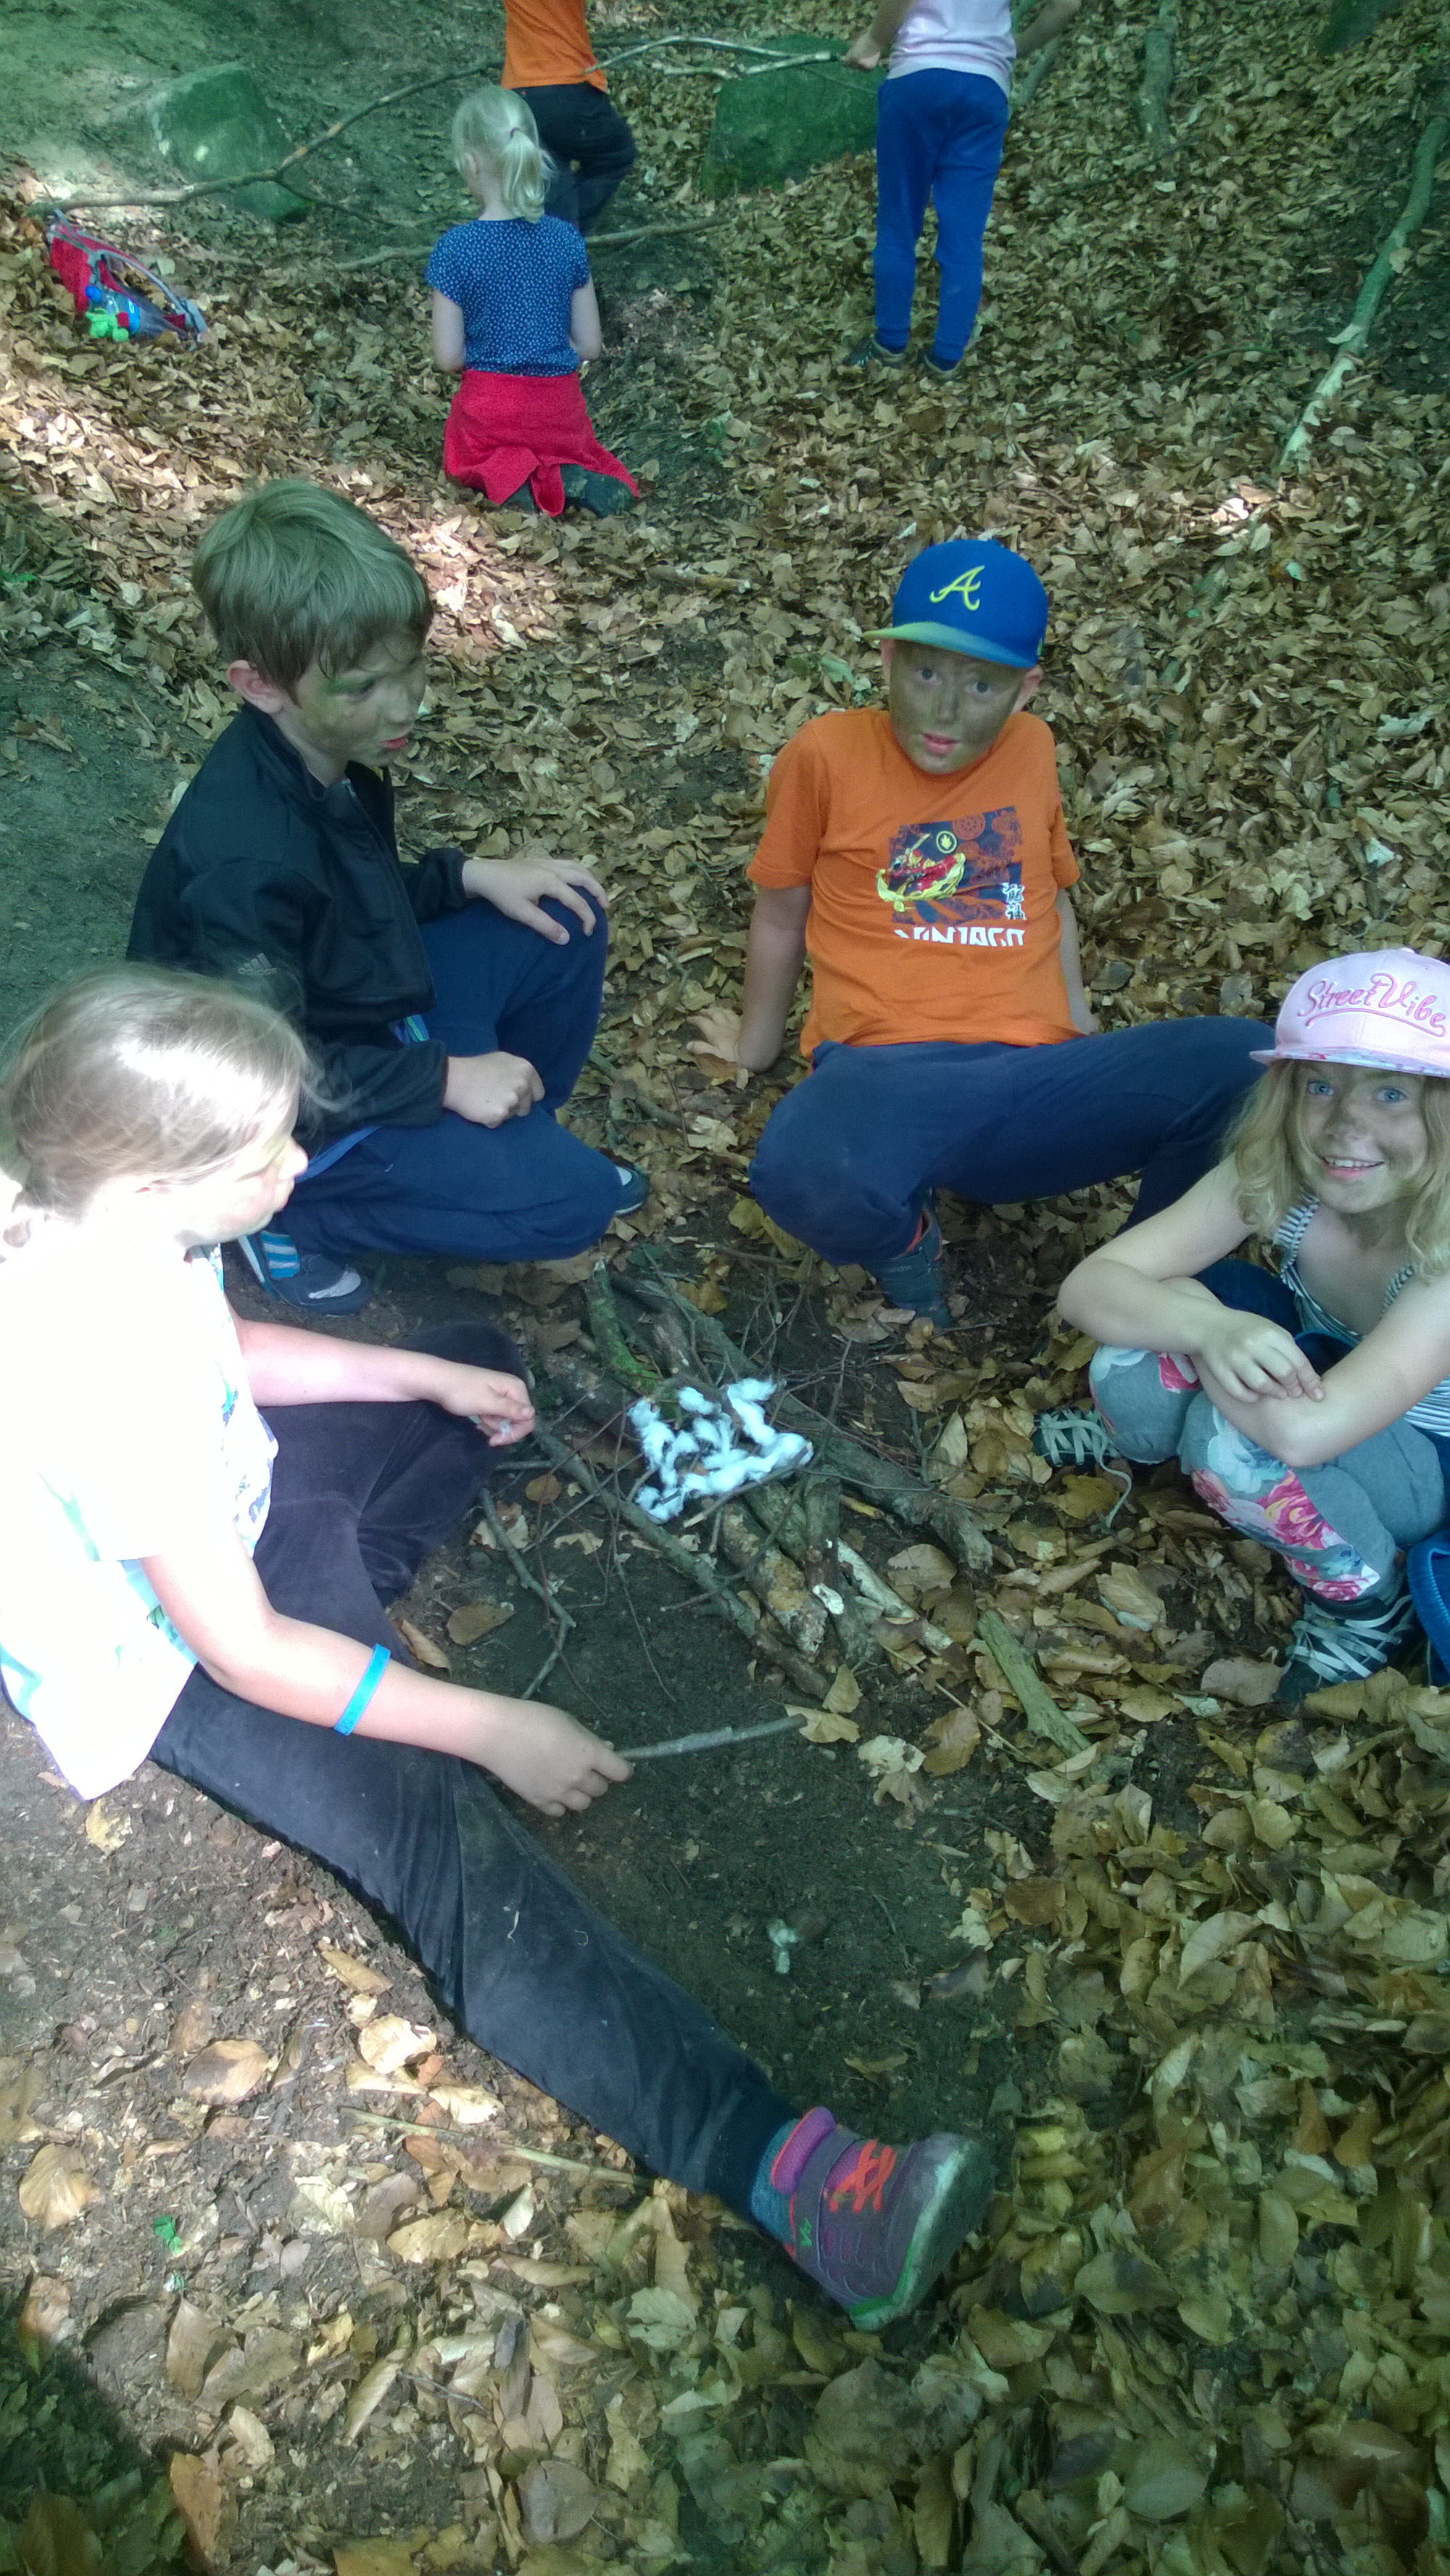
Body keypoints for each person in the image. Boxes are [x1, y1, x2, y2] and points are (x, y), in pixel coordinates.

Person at [0, 962, 996, 2329]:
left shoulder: (110, 1222)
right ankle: (790, 2176)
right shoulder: (96, 1371)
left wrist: (416, 1370)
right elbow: (245, 1652)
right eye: (264, 1155)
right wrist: (487, 1723)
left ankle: (361, 1609)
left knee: (469, 1363)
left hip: (234, 1523)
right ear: (153, 1182)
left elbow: (224, 1349)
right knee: (444, 1838)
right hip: (177, 1649)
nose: (297, 1165)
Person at [691, 537, 1269, 1327]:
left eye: (981, 683)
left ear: (1024, 690)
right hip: (886, 1072)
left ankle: (1147, 1288)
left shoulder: (1031, 750)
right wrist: (754, 1049)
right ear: (888, 660)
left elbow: (1050, 899)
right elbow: (781, 910)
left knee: (1251, 1067)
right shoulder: (825, 754)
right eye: (926, 673)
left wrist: (1080, 1034)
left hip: (1035, 1079)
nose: (945, 709)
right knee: (799, 1167)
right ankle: (905, 1243)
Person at [128, 480, 645, 1315]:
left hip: (352, 1022)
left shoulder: (322, 754)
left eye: (411, 667)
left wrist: (465, 875)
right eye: (364, 686)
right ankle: (288, 1216)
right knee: (571, 1206)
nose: (406, 703)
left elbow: (343, 900)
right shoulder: (247, 858)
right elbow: (261, 1078)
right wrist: (441, 1079)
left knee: (563, 914)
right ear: (261, 685)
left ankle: (514, 1129)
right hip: (274, 1116)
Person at [1056, 950, 1450, 1703]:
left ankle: (1368, 1601)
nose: (1345, 1124)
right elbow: (1089, 1287)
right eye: (1320, 1086)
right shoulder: (1286, 1175)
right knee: (1132, 1361)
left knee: (1232, 1437)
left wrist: (1195, 1323)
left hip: (1424, 1455)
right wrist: (1210, 1330)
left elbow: (1306, 1434)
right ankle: (1154, 1456)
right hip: (1318, 1367)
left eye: (1391, 1094)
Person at [428, 88, 637, 521]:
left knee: (466, 453)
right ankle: (563, 473)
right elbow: (591, 346)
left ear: (470, 163)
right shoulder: (566, 240)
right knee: (566, 445)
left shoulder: (455, 249)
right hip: (558, 411)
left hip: (491, 410)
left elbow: (448, 359)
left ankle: (511, 479)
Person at [844, 0, 1082, 378]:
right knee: (964, 233)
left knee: (898, 221)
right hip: (984, 88)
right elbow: (1067, 4)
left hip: (918, 79)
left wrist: (874, 40)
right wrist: (1013, 46)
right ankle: (946, 357)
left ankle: (890, 344)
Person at [502, 0, 636, 237]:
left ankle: (547, 240)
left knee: (553, 172)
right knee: (617, 154)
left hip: (518, 91)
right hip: (565, 84)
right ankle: (561, 240)